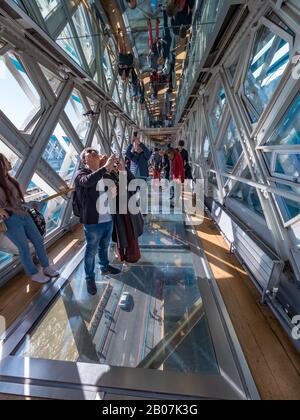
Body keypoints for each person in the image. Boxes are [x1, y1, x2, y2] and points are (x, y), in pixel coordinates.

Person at [0, 154, 59, 284]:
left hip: (24, 214)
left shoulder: (10, 179)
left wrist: (29, 204)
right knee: (24, 248)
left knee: (38, 240)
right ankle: (33, 273)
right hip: (11, 221)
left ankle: (46, 267)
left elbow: (17, 200)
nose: (8, 161)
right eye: (5, 160)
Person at [75, 149, 121, 296]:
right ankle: (89, 278)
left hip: (107, 218)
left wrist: (112, 171)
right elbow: (87, 182)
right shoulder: (80, 174)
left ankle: (104, 267)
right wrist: (104, 167)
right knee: (91, 251)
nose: (93, 152)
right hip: (93, 222)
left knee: (104, 246)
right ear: (84, 160)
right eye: (89, 152)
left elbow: (113, 190)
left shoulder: (104, 173)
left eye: (95, 151)